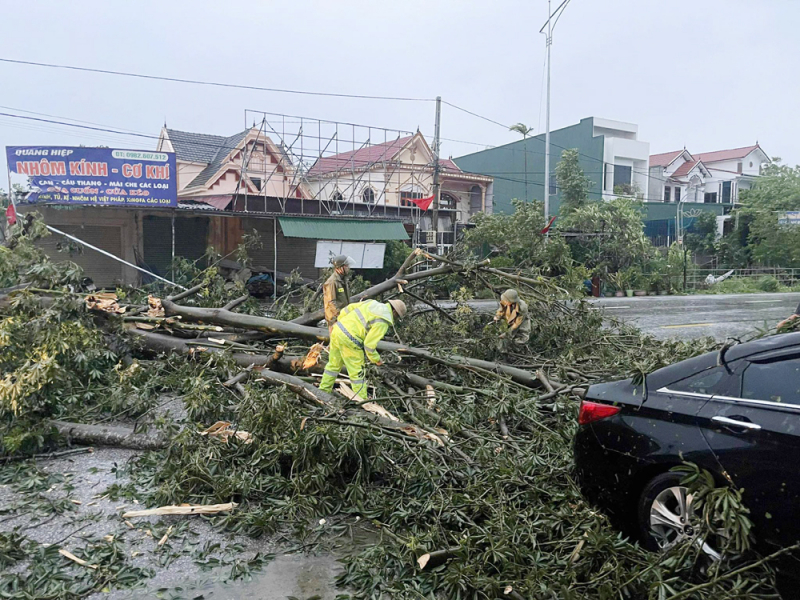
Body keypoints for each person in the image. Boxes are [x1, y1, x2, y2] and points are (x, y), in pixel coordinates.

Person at [319, 298, 407, 400]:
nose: (395, 318)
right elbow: (369, 345)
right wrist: (376, 359)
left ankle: (322, 392)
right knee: (357, 373)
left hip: (337, 330)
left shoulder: (372, 302)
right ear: (395, 312)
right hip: (350, 340)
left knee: (333, 365)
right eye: (397, 316)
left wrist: (340, 321)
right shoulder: (383, 321)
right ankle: (361, 400)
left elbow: (348, 308)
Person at [323, 255, 353, 331]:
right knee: (335, 341)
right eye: (346, 266)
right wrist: (340, 315)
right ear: (340, 267)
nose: (348, 268)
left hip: (343, 318)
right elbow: (331, 302)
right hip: (335, 320)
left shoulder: (343, 280)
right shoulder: (332, 282)